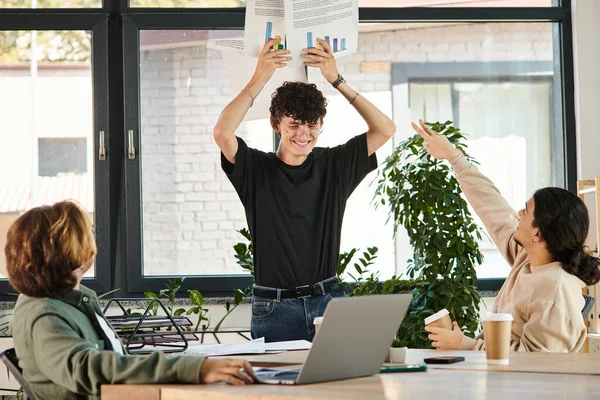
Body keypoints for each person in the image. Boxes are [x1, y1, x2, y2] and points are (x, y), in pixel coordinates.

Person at [213, 38, 396, 342]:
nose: (303, 134)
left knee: (339, 389)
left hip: (329, 302)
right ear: (277, 124)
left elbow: (386, 129)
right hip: (275, 308)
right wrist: (261, 76)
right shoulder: (255, 169)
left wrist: (336, 79)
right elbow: (222, 132)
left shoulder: (335, 165)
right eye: (294, 124)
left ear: (321, 125)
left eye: (312, 125)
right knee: (280, 391)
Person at [5, 201, 257, 400]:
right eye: (88, 233)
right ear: (69, 250)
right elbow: (87, 366)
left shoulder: (66, 302)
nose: (93, 238)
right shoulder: (45, 315)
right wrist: (193, 369)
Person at [411, 120, 600, 352]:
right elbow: (492, 207)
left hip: (523, 386)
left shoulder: (554, 290)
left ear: (538, 234)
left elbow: (538, 366)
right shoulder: (528, 257)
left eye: (526, 211)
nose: (518, 213)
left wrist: (466, 345)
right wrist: (454, 157)